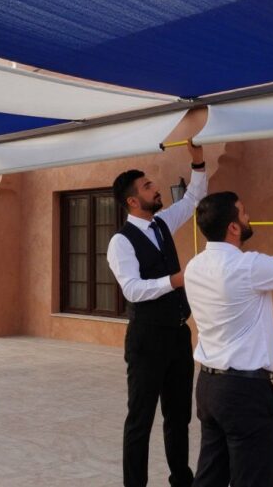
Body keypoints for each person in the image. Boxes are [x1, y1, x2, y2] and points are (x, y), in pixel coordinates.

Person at [184, 192, 273, 486]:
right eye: (244, 212)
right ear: (233, 228)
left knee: (209, 477)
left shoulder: (194, 266)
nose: (248, 217)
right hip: (243, 391)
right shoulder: (247, 266)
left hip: (209, 387)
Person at [107, 144, 207, 487]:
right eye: (148, 186)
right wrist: (176, 280)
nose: (156, 188)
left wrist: (198, 161)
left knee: (178, 417)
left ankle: (182, 479)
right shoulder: (120, 242)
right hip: (147, 339)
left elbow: (193, 200)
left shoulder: (162, 223)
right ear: (133, 201)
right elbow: (132, 290)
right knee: (140, 419)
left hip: (179, 335)